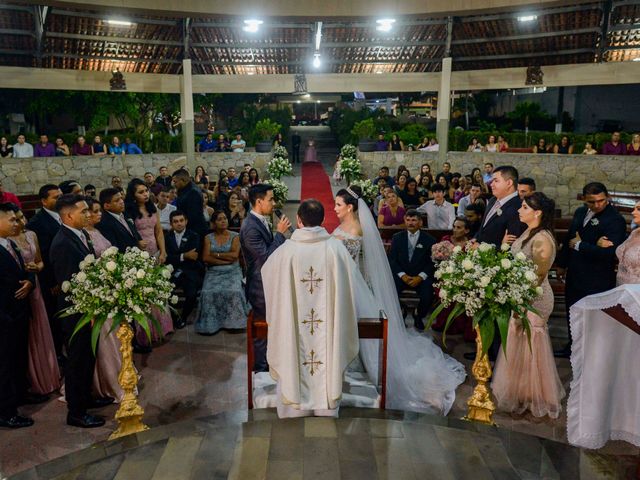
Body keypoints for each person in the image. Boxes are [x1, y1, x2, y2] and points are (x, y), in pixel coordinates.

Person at [332, 187, 466, 414]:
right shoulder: (344, 226)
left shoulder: (356, 228)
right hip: (343, 283)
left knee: (357, 326)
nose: (334, 209)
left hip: (351, 285)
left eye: (338, 204)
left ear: (350, 207)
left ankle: (361, 368)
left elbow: (349, 261)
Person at [261, 199, 362, 418]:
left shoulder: (285, 252)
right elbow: (351, 287)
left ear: (298, 220)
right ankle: (325, 407)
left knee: (291, 352)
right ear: (323, 219)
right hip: (328, 331)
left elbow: (266, 277)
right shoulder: (336, 250)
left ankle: (293, 410)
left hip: (294, 328)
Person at [492, 192, 565, 419]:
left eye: (523, 207)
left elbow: (539, 276)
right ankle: (519, 390)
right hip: (520, 295)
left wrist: (514, 295)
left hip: (535, 299)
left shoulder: (542, 238)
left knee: (530, 345)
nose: (519, 210)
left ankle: (535, 394)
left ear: (537, 213)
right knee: (517, 343)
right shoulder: (528, 231)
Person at [50, 194, 110, 428]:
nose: (88, 214)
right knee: (77, 361)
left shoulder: (80, 234)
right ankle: (76, 412)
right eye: (84, 211)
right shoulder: (63, 243)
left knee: (88, 358)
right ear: (68, 215)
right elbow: (70, 283)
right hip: (76, 312)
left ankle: (85, 398)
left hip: (88, 308)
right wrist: (89, 307)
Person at [554, 182, 627, 358]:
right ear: (584, 200)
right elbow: (570, 237)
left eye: (601, 200)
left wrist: (580, 244)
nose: (597, 205)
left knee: (593, 317)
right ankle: (573, 346)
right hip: (575, 272)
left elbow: (609, 253)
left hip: (597, 277)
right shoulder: (580, 212)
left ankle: (590, 352)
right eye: (591, 202)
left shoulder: (615, 219)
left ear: (607, 197)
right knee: (573, 311)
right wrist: (561, 264)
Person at [468, 166, 527, 361]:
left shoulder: (517, 207)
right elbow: (483, 228)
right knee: (484, 313)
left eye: (495, 180)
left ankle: (494, 358)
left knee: (496, 314)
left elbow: (512, 244)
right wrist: (474, 241)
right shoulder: (492, 200)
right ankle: (482, 350)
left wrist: (486, 248)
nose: (490, 183)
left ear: (509, 183)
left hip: (498, 269)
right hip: (483, 263)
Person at [10, 206, 61, 396]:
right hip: (20, 289)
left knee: (42, 326)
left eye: (22, 217)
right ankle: (32, 378)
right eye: (15, 219)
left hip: (36, 286)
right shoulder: (7, 240)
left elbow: (40, 260)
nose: (20, 222)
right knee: (28, 332)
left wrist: (36, 267)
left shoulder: (31, 235)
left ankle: (47, 373)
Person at [240, 184, 291, 371]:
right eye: (271, 199)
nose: (274, 203)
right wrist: (279, 234)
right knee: (262, 329)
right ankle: (260, 369)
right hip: (260, 286)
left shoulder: (261, 220)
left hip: (270, 282)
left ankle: (270, 362)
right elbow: (266, 258)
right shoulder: (249, 228)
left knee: (271, 326)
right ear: (259, 201)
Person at [84, 198, 125, 402]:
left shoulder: (98, 231)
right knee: (104, 336)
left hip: (109, 288)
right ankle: (107, 379)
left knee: (115, 334)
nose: (99, 214)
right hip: (99, 291)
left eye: (100, 210)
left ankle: (121, 372)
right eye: (95, 211)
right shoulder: (84, 236)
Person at [0, 203, 36, 429]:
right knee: (4, 365)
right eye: (11, 220)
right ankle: (6, 411)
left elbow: (23, 272)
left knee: (17, 360)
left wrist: (30, 283)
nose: (17, 223)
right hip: (4, 317)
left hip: (20, 311)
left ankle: (20, 394)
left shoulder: (10, 243)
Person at [125, 179, 173, 344]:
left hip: (155, 253)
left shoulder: (152, 208)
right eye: (140, 192)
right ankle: (146, 333)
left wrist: (163, 251)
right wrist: (136, 242)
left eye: (146, 191)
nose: (145, 194)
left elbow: (158, 231)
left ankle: (162, 327)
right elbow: (127, 234)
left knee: (157, 290)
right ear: (132, 195)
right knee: (144, 292)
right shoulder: (128, 211)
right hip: (139, 256)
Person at [196, 210, 249, 335]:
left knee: (234, 291)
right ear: (214, 223)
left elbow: (234, 256)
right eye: (219, 219)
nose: (223, 221)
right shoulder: (208, 238)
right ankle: (212, 324)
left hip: (233, 271)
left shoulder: (235, 236)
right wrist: (224, 260)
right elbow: (205, 258)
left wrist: (216, 254)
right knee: (207, 292)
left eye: (225, 218)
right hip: (213, 271)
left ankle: (233, 323)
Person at [27, 184, 63, 355]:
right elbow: (45, 255)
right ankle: (57, 355)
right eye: (55, 197)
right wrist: (52, 282)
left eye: (60, 195)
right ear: (43, 201)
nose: (60, 199)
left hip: (67, 275)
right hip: (53, 281)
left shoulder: (64, 215)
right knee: (55, 319)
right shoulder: (37, 223)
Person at [387, 209, 437, 330]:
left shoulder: (429, 240)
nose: (410, 223)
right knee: (390, 290)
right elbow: (392, 260)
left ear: (420, 222)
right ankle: (401, 313)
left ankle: (418, 316)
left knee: (428, 293)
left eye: (414, 220)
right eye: (408, 220)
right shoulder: (397, 238)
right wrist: (402, 275)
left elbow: (431, 262)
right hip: (401, 276)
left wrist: (420, 277)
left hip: (420, 277)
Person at [165, 210, 203, 328]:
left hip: (190, 269)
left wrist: (176, 256)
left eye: (181, 220)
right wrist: (183, 255)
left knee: (191, 294)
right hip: (173, 270)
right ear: (171, 224)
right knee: (165, 292)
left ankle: (183, 317)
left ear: (186, 221)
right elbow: (167, 257)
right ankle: (175, 317)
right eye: (175, 221)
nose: (179, 223)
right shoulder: (166, 237)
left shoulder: (194, 236)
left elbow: (194, 256)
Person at [603, 200, 640, 285]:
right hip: (621, 285)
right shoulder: (635, 232)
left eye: (639, 209)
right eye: (634, 209)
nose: (633, 212)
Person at [96, 188, 141, 253]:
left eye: (121, 198)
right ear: (106, 206)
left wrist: (138, 241)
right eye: (117, 200)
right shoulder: (104, 223)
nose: (122, 202)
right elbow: (114, 247)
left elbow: (132, 232)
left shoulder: (125, 214)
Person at [172, 169, 208, 240]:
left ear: (182, 180)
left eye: (175, 182)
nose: (174, 184)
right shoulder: (184, 189)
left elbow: (193, 216)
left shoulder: (193, 192)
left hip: (195, 230)